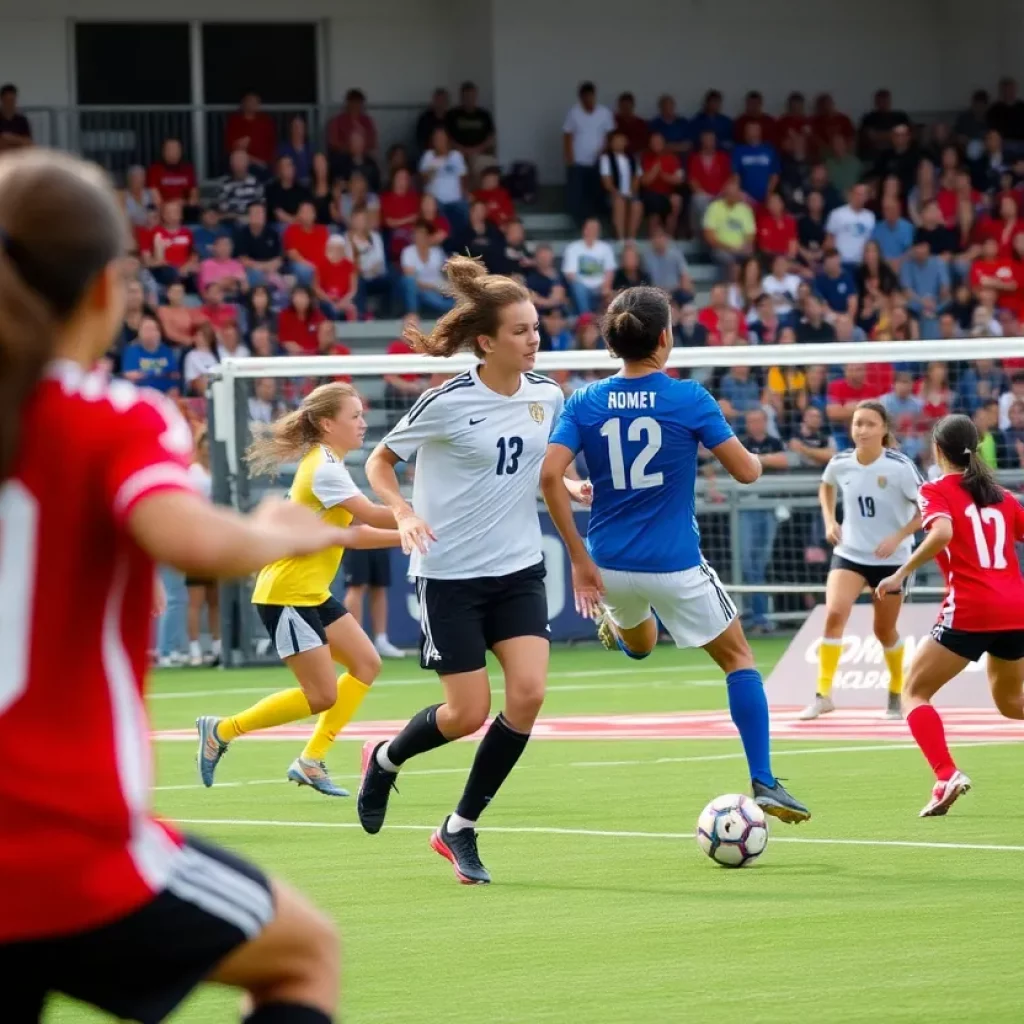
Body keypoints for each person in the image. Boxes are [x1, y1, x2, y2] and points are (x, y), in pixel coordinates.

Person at [0, 148, 342, 1022]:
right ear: (110, 288)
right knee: (305, 955)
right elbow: (186, 536)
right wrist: (272, 529)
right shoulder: (112, 415)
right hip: (66, 850)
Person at [538, 285, 810, 825]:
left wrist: (577, 554)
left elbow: (550, 475)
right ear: (665, 338)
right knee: (739, 659)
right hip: (675, 565)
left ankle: (620, 630)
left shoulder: (585, 401)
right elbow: (745, 471)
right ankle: (764, 779)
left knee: (641, 645)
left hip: (608, 563)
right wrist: (755, 457)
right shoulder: (689, 398)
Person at [359, 255, 592, 884]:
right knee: (465, 714)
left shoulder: (548, 394)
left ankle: (458, 827)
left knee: (529, 694)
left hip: (517, 570)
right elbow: (379, 463)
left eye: (536, 327)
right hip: (451, 577)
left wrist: (568, 484)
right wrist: (403, 512)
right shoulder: (446, 401)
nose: (534, 338)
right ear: (486, 342)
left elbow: (542, 465)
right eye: (520, 331)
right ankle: (383, 759)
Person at [197, 383, 402, 798]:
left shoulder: (330, 463)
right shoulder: (324, 469)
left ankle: (310, 761)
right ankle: (221, 731)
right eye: (355, 416)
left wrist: (412, 533)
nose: (364, 423)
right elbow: (369, 516)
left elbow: (354, 534)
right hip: (287, 594)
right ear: (327, 424)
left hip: (309, 592)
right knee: (322, 694)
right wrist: (420, 518)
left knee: (366, 663)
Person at [876, 414, 1024, 816]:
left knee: (913, 691)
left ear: (938, 450)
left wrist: (900, 574)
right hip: (1014, 608)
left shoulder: (936, 490)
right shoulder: (1002, 497)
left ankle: (945, 774)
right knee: (1011, 702)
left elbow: (940, 533)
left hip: (972, 608)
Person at [801, 401, 923, 722]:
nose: (862, 430)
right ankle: (823, 695)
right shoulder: (841, 462)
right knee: (834, 614)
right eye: (857, 424)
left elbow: (926, 510)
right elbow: (826, 486)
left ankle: (897, 691)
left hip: (892, 560)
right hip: (850, 553)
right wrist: (830, 520)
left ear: (884, 429)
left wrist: (898, 537)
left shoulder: (899, 466)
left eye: (869, 424)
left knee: (884, 631)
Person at [185, 429, 222, 666]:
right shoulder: (193, 473)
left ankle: (217, 647)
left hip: (216, 539)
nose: (208, 448)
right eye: (204, 444)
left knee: (215, 598)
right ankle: (194, 648)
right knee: (196, 599)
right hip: (196, 539)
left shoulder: (218, 471)